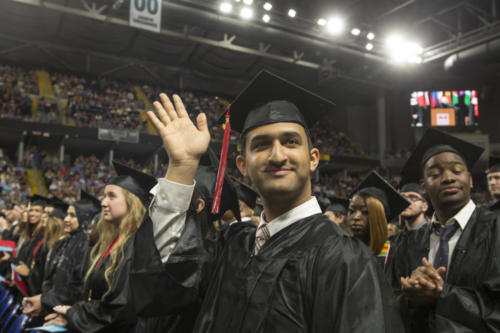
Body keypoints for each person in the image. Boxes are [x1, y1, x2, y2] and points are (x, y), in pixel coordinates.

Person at [138, 71, 404, 332]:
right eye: (261, 145)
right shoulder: (231, 245)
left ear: (312, 159)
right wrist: (182, 167)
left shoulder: (344, 259)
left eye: (290, 142)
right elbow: (164, 286)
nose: (277, 156)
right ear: (242, 165)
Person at [386, 127, 500, 333]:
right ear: (424, 186)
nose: (448, 178)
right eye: (435, 173)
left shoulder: (496, 229)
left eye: (456, 171)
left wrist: (441, 294)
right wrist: (411, 299)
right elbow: (388, 305)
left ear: (471, 180)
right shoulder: (405, 243)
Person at [44, 161, 156, 332]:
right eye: (104, 196)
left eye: (112, 196)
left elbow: (120, 309)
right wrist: (71, 315)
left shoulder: (137, 246)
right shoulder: (113, 242)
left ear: (131, 201)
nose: (103, 203)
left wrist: (73, 314)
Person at [22, 193, 99, 319]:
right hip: (52, 308)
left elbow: (75, 289)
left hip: (69, 315)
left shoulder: (88, 248)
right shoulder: (65, 243)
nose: (66, 219)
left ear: (85, 218)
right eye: (67, 214)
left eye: (72, 216)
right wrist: (44, 300)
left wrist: (44, 301)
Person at [348, 171, 409, 264]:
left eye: (365, 212)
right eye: (351, 211)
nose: (356, 217)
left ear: (380, 217)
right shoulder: (341, 250)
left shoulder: (395, 255)